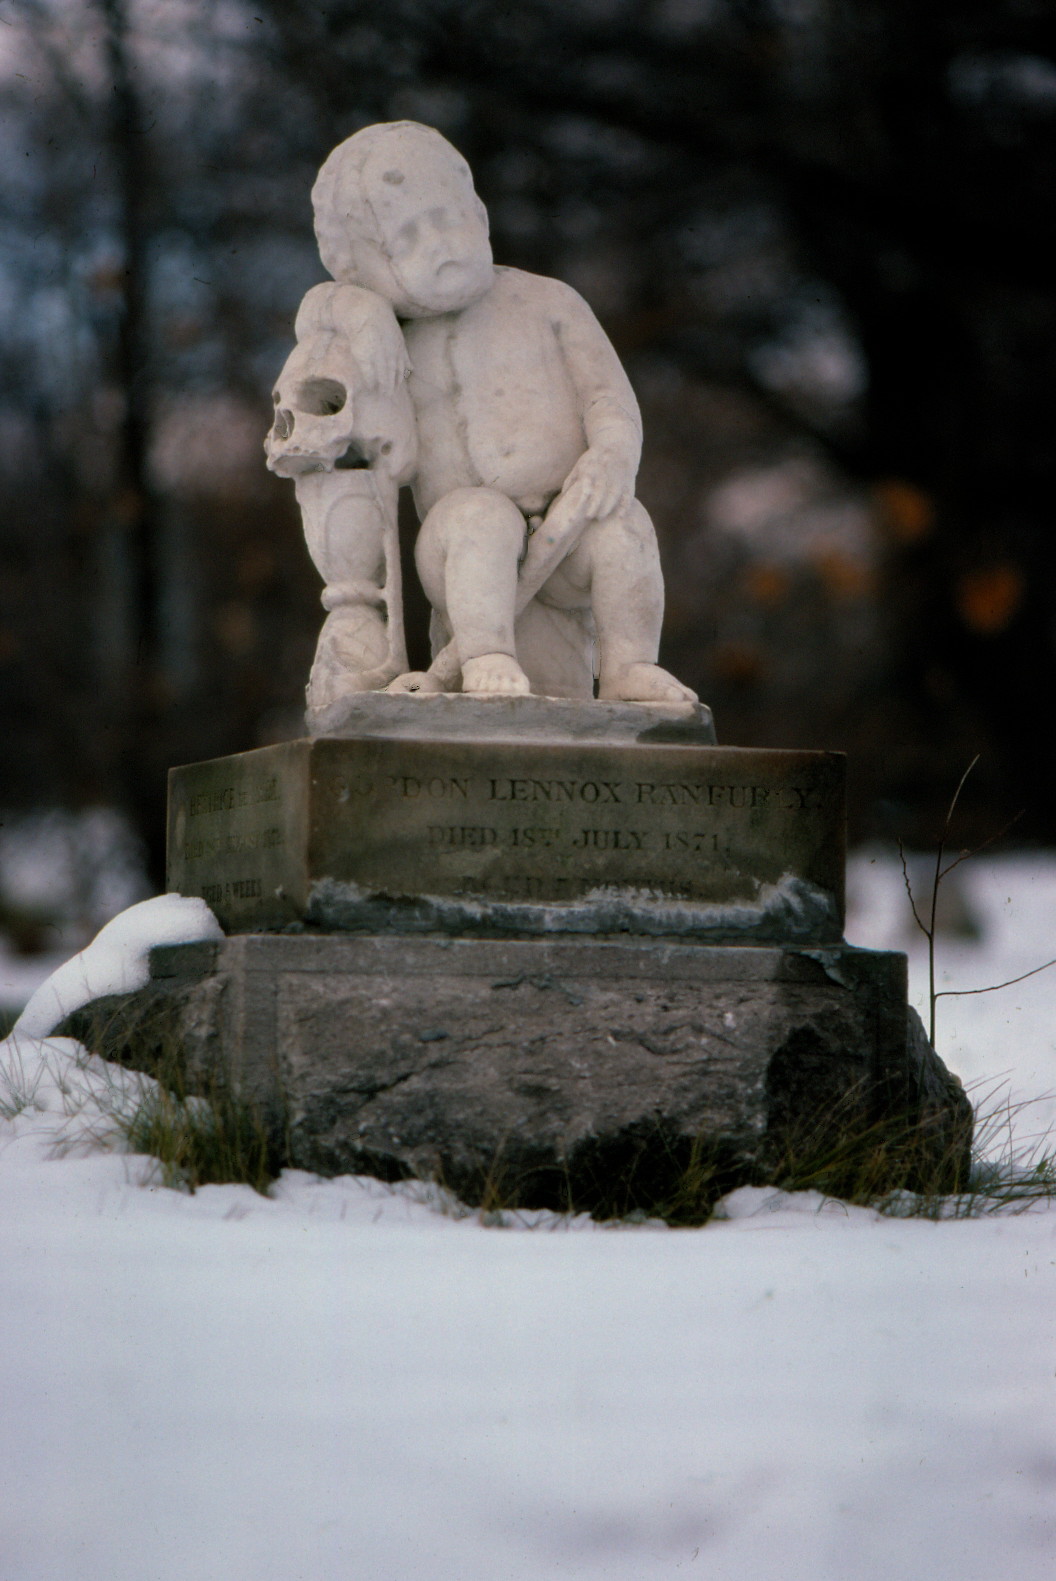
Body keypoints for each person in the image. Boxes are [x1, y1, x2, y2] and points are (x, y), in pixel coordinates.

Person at [310, 119, 696, 704]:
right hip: (461, 549)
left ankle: (627, 666)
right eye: (408, 238)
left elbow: (606, 397)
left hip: (570, 531)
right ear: (367, 270)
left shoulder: (548, 300)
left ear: (480, 215)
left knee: (626, 528)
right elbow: (314, 319)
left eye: (447, 218)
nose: (439, 245)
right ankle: (487, 653)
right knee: (479, 517)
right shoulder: (394, 335)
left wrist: (612, 454)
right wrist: (356, 310)